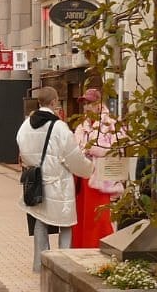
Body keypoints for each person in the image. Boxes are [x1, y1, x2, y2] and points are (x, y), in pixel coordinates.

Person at [16, 85, 95, 272]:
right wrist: (89, 169)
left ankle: (39, 264)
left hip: (36, 183)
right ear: (54, 102)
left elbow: (22, 150)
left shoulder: (26, 125)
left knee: (40, 220)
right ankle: (64, 265)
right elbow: (73, 156)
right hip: (59, 183)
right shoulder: (59, 126)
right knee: (65, 224)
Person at [70, 88, 123, 252]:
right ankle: (82, 247)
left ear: (99, 104)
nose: (86, 107)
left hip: (102, 177)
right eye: (85, 103)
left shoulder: (111, 123)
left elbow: (119, 149)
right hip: (83, 176)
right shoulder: (82, 125)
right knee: (83, 216)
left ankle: (100, 247)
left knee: (100, 216)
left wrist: (95, 150)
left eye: (89, 103)